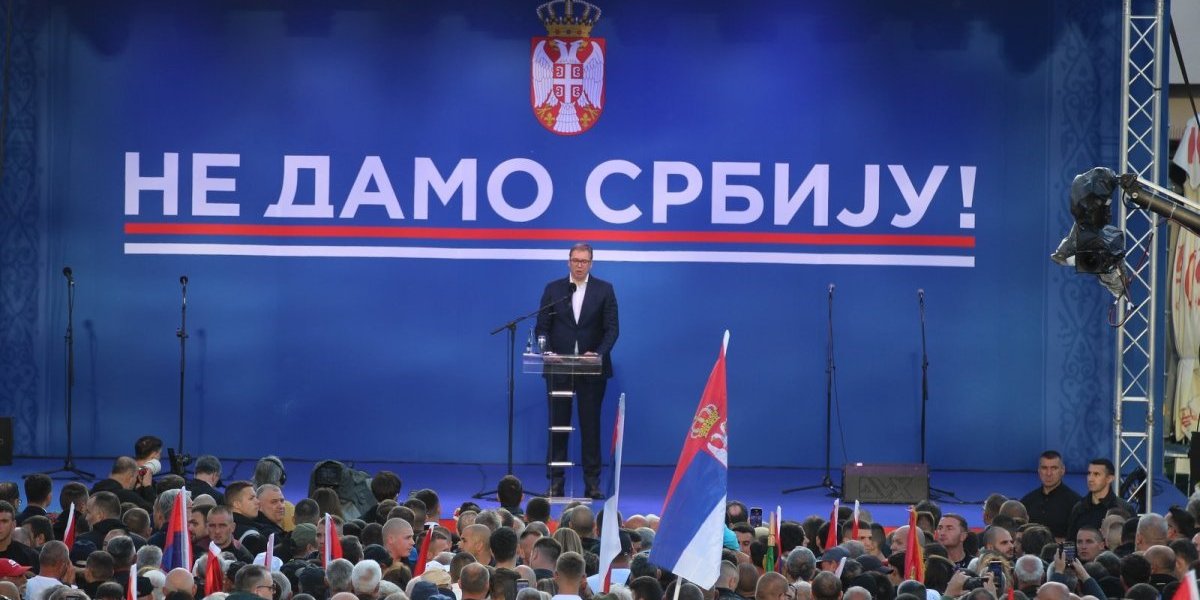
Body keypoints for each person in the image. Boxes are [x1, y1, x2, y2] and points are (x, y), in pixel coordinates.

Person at [536, 242, 619, 499]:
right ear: (568, 262)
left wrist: (598, 353)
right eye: (575, 260)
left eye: (584, 261)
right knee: (558, 425)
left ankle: (592, 483)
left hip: (591, 369)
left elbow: (612, 329)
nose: (579, 265)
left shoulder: (604, 290)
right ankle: (556, 482)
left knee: (590, 426)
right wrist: (547, 351)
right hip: (559, 367)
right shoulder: (554, 289)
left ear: (591, 263)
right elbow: (542, 327)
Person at [1065, 458, 1134, 540]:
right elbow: (1070, 541)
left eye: (1096, 474)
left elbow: (1130, 541)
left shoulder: (1123, 508)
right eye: (1089, 473)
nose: (1090, 479)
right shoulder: (1079, 508)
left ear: (1110, 478)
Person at [1020, 451, 1082, 540]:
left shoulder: (1075, 503)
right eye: (1044, 468)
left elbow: (1079, 539)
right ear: (1039, 471)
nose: (1048, 473)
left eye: (1054, 468)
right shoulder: (1027, 501)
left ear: (1062, 470)